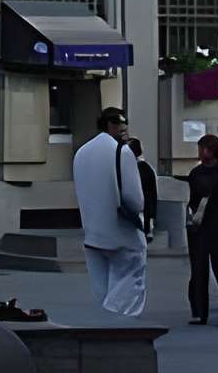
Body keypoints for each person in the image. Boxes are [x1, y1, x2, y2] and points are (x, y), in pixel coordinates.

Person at [69, 108, 146, 320]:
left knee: (102, 290)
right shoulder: (122, 152)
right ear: (112, 125)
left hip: (92, 232)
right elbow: (135, 199)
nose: (125, 131)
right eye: (123, 126)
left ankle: (104, 325)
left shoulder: (81, 153)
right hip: (121, 232)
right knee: (129, 284)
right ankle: (120, 330)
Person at [184, 135, 218, 325]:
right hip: (215, 223)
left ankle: (199, 310)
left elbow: (194, 197)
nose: (199, 152)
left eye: (200, 148)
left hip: (203, 223)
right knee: (216, 264)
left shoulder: (200, 173)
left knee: (201, 267)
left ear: (207, 150)